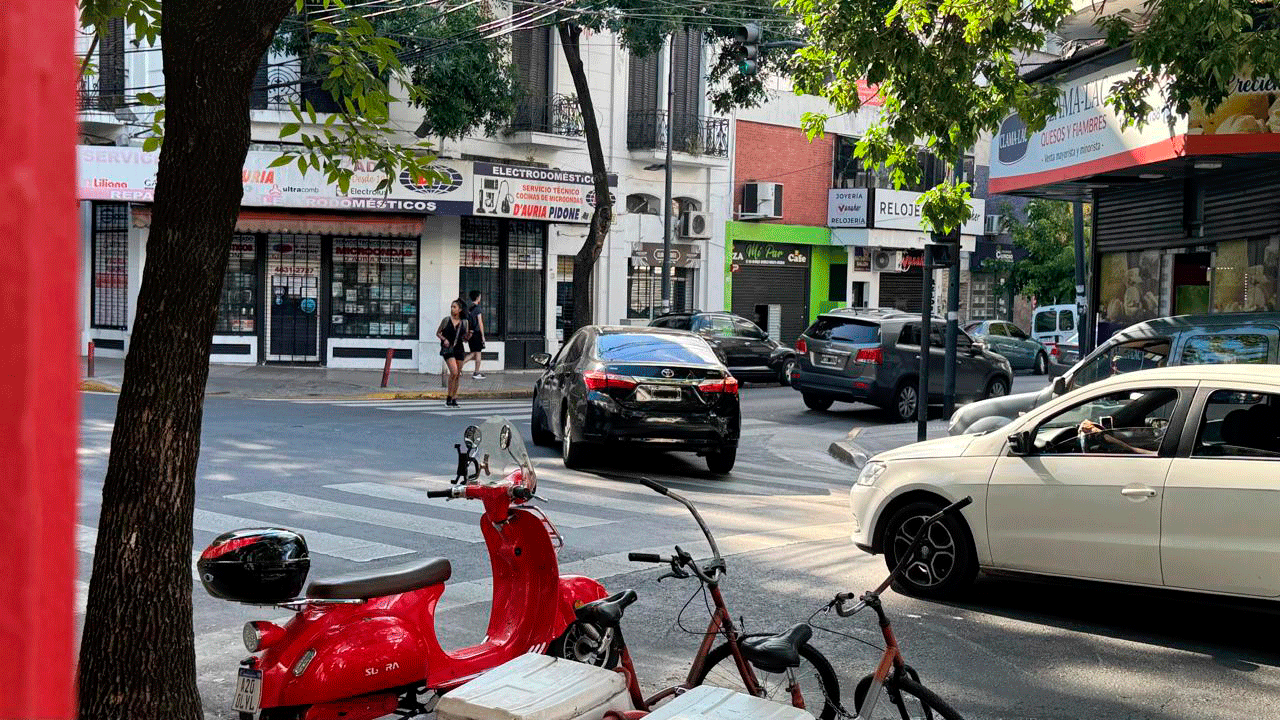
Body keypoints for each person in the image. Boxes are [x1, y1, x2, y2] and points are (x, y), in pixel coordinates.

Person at [436, 299, 469, 407]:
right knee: (454, 372)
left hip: (459, 347)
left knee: (457, 375)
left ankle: (454, 398)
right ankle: (449, 397)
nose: (452, 309)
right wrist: (444, 339)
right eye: (451, 307)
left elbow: (465, 337)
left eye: (454, 307)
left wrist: (468, 336)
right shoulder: (446, 320)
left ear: (459, 309)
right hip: (448, 348)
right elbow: (438, 333)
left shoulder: (464, 322)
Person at [466, 290, 486, 380]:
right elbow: (480, 322)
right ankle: (460, 366)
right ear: (478, 297)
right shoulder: (477, 308)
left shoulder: (469, 309)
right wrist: (482, 335)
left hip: (470, 333)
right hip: (477, 334)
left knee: (475, 353)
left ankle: (476, 372)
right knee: (476, 353)